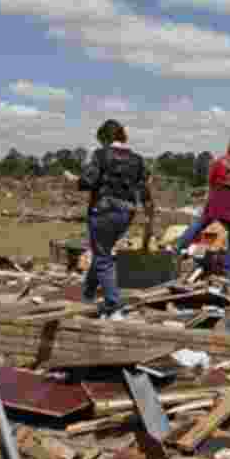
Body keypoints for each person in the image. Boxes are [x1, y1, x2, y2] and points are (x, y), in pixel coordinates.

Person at [69, 119, 152, 321]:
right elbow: (144, 190)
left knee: (103, 257)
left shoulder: (101, 155)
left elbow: (88, 181)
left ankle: (113, 305)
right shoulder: (138, 160)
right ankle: (88, 294)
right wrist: (150, 216)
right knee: (101, 252)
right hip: (126, 214)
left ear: (104, 138)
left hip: (103, 212)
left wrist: (73, 180)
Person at [174, 136, 230, 277]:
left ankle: (181, 248)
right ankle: (228, 269)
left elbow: (211, 183)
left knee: (205, 226)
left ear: (229, 147)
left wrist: (208, 202)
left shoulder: (219, 162)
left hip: (218, 200)